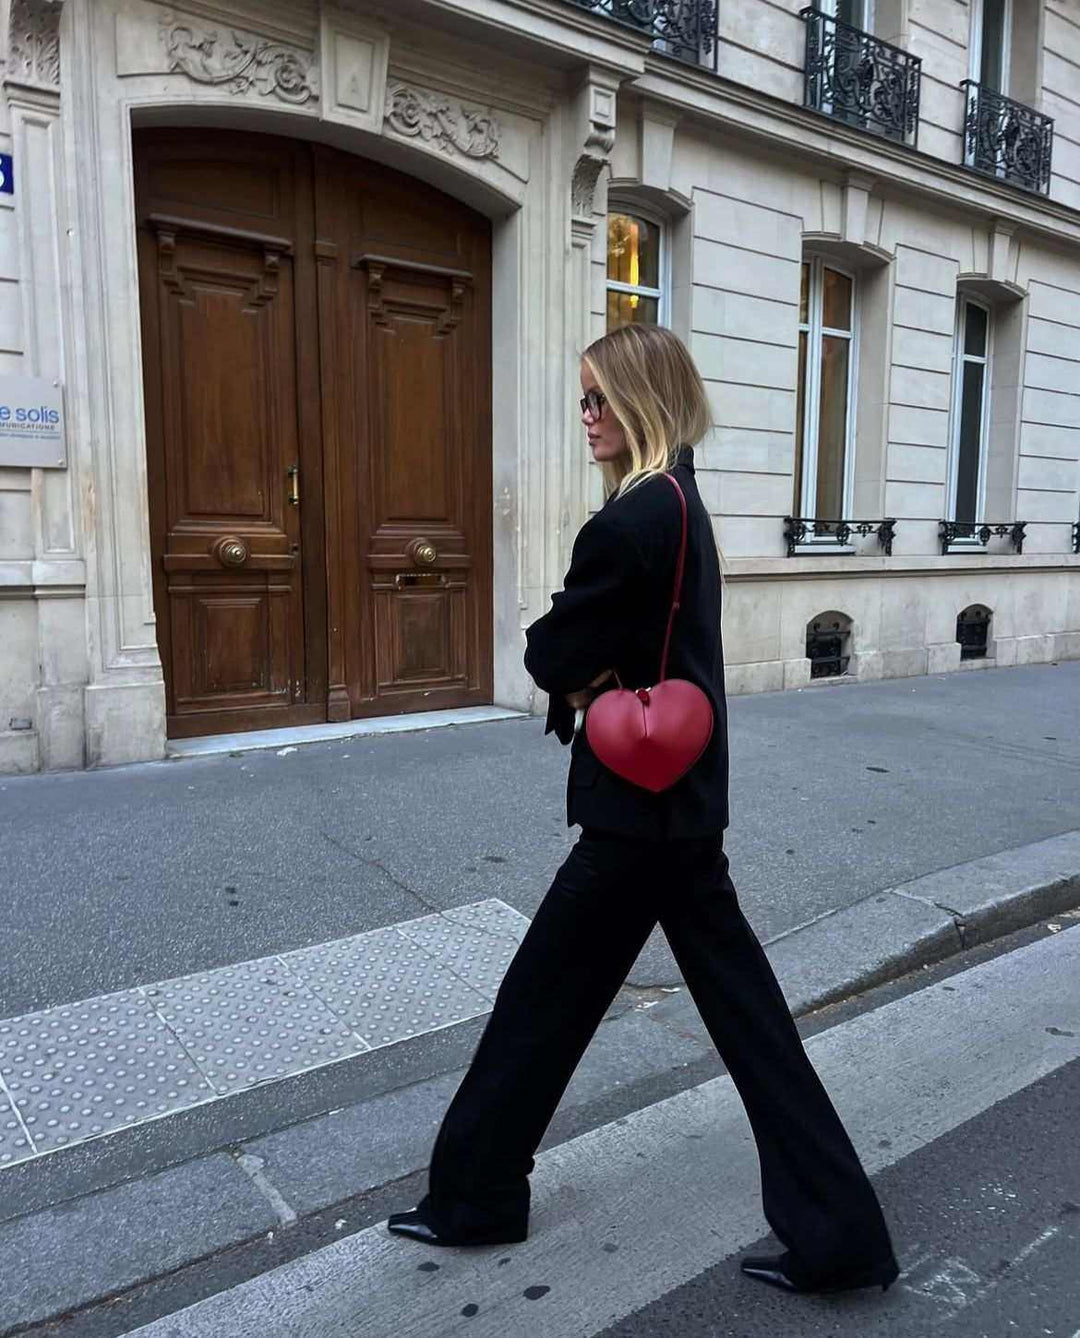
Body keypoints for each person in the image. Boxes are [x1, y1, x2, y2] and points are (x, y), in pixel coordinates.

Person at [388, 324, 899, 1296]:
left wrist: (582, 677)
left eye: (598, 400)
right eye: (580, 400)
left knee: (538, 1006)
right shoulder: (683, 504)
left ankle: (478, 1194)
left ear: (639, 405)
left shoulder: (627, 522)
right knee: (734, 1022)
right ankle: (836, 1233)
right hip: (680, 813)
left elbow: (548, 655)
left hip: (635, 823)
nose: (584, 417)